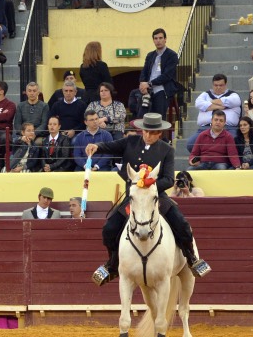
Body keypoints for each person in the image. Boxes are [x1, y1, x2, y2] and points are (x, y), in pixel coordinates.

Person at [85, 112, 211, 286]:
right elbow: (110, 146)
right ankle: (112, 264)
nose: (148, 135)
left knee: (181, 224)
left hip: (156, 197)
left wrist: (149, 187)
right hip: (134, 199)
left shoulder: (166, 150)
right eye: (145, 131)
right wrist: (96, 146)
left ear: (159, 133)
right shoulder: (130, 141)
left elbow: (168, 179)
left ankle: (192, 258)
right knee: (109, 228)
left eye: (152, 133)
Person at [138, 27, 180, 121]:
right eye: (156, 38)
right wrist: (142, 84)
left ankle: (160, 136)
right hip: (148, 91)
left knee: (159, 119)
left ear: (165, 39)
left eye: (160, 38)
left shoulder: (172, 55)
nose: (158, 41)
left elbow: (167, 76)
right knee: (144, 117)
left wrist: (149, 84)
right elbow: (144, 71)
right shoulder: (150, 55)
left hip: (162, 90)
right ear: (153, 40)